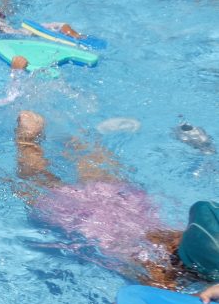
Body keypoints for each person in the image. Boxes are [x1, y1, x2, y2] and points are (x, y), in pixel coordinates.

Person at [15, 110, 219, 287]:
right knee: (36, 180)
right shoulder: (161, 276)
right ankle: (27, 140)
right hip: (87, 221)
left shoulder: (176, 236)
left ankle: (54, 130)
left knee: (87, 157)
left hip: (126, 202)